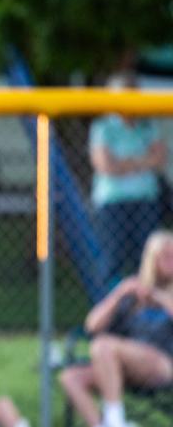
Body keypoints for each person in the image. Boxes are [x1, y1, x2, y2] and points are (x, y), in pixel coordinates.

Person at [58, 230, 173, 427]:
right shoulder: (133, 293)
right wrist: (119, 294)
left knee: (103, 346)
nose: (170, 261)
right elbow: (91, 325)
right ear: (151, 259)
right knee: (71, 377)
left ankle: (115, 422)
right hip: (122, 368)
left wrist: (159, 299)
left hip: (163, 365)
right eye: (164, 256)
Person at [89, 71, 167, 287]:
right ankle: (112, 309)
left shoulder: (147, 125)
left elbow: (160, 159)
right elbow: (106, 166)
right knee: (112, 259)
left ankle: (147, 313)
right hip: (113, 202)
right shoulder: (103, 127)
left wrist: (124, 163)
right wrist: (143, 161)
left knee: (147, 261)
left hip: (145, 200)